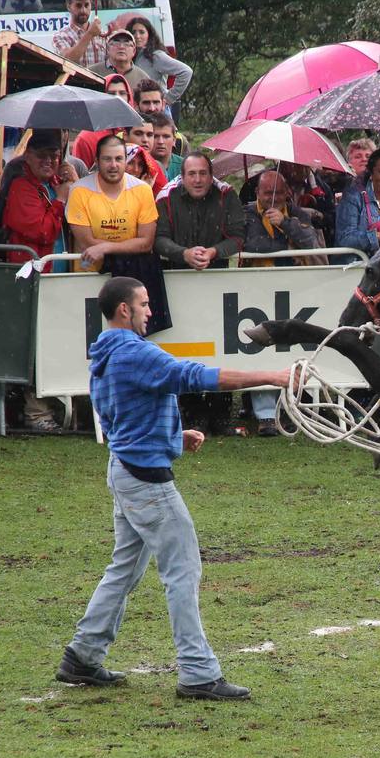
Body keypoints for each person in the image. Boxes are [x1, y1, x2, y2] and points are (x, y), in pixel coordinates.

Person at [54, 276, 293, 701]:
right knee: (183, 570)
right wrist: (271, 376)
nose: (150, 311)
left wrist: (173, 435)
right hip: (146, 480)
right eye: (144, 305)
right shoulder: (133, 352)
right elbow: (192, 375)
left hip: (126, 469)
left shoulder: (106, 353)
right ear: (124, 310)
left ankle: (84, 656)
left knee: (125, 569)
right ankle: (198, 673)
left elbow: (120, 415)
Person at [67, 134, 158, 274]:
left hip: (132, 272)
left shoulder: (143, 190)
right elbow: (87, 242)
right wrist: (128, 246)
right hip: (89, 274)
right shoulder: (79, 191)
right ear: (97, 161)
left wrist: (105, 248)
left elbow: (146, 243)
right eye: (107, 159)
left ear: (126, 160)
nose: (113, 165)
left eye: (119, 159)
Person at [155, 152, 245, 269]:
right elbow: (159, 239)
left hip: (217, 273)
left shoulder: (226, 194)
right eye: (191, 174)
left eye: (203, 173)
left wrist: (213, 252)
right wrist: (184, 254)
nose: (197, 180)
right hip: (175, 273)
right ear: (182, 177)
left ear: (211, 176)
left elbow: (238, 237)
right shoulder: (165, 197)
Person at [1, 130, 76, 267]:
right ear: (28, 156)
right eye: (41, 156)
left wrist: (76, 183)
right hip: (33, 270)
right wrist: (59, 201)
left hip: (63, 268)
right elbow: (42, 232)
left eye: (54, 156)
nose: (48, 161)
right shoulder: (20, 187)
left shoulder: (58, 183)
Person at [126, 16, 192, 111]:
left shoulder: (156, 56)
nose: (137, 36)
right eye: (133, 32)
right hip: (140, 110)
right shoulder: (131, 57)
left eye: (142, 32)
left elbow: (186, 72)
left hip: (157, 111)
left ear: (149, 35)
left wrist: (168, 99)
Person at [72, 75, 134, 169]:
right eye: (111, 93)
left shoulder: (137, 132)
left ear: (129, 97)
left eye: (122, 93)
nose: (117, 98)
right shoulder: (86, 138)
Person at [52, 0, 108, 67]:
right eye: (78, 5)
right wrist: (89, 34)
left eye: (86, 5)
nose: (83, 10)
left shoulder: (104, 35)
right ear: (68, 6)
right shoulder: (60, 36)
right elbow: (66, 61)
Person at [90, 30, 148, 95]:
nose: (121, 47)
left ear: (134, 51)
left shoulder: (143, 78)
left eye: (127, 44)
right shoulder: (92, 73)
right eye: (116, 43)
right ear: (108, 49)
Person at [149, 113, 181, 181]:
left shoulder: (185, 166)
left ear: (174, 140)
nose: (161, 141)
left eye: (166, 136)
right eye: (155, 136)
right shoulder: (138, 166)